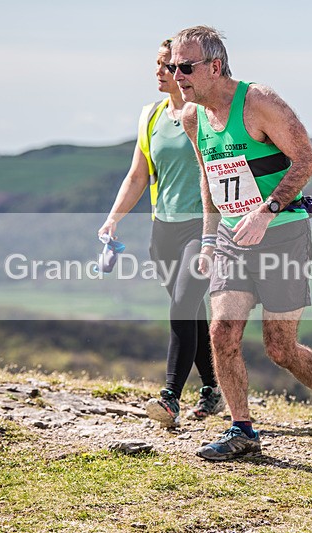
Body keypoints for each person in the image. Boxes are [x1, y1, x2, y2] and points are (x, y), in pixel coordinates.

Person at [170, 26, 312, 461]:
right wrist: (210, 240)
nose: (177, 75)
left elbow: (306, 160)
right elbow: (209, 180)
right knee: (221, 330)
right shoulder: (194, 118)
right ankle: (242, 429)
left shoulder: (258, 103)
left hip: (282, 234)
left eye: (186, 66)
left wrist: (267, 209)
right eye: (172, 66)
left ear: (215, 66)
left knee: (280, 348)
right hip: (233, 238)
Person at [98, 38, 224, 428]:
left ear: (187, 72)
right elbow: (138, 175)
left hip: (203, 229)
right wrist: (113, 218)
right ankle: (213, 389)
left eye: (168, 65)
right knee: (189, 313)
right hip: (163, 230)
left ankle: (170, 396)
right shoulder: (150, 116)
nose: (160, 71)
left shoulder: (207, 115)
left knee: (183, 305)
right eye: (159, 64)